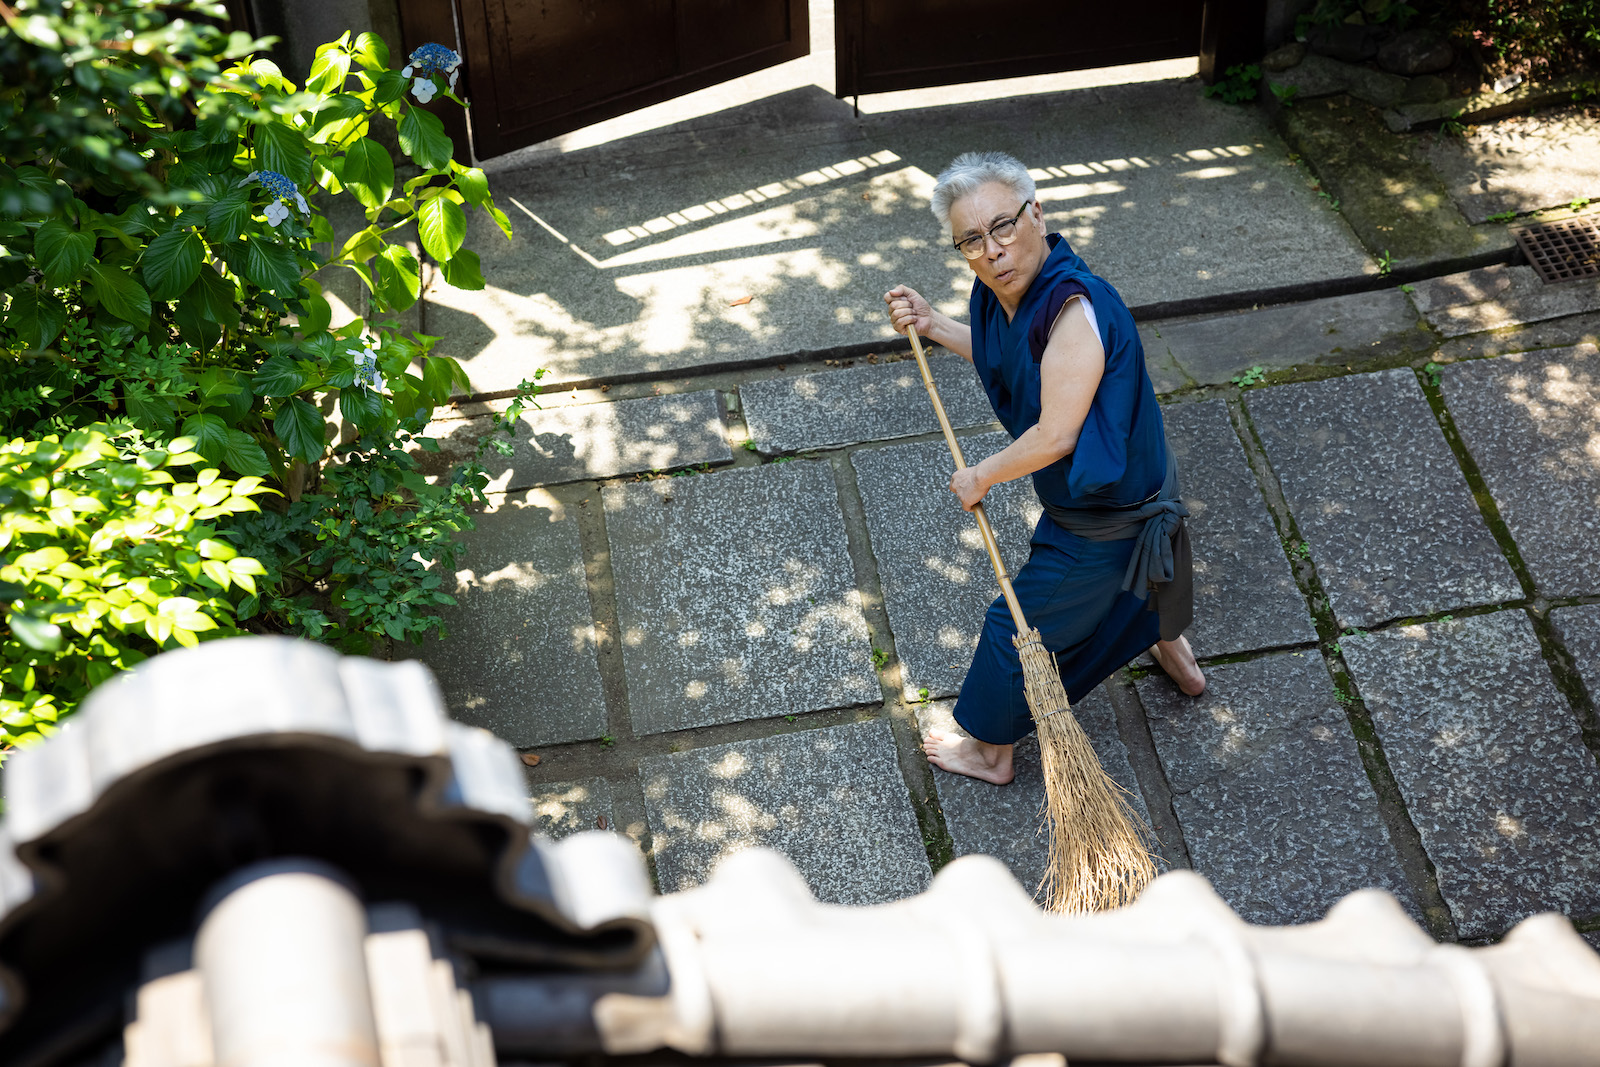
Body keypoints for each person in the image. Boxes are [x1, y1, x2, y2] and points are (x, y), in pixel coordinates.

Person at [883, 150, 1204, 786]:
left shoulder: (1072, 312)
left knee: (1015, 625)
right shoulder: (1014, 293)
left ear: (1036, 213)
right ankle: (1170, 646)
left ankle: (990, 753)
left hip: (1108, 513)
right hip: (1131, 481)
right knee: (1139, 580)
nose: (992, 250)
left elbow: (1056, 435)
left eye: (1003, 226)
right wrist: (934, 323)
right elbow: (1012, 361)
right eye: (970, 240)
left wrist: (982, 475)